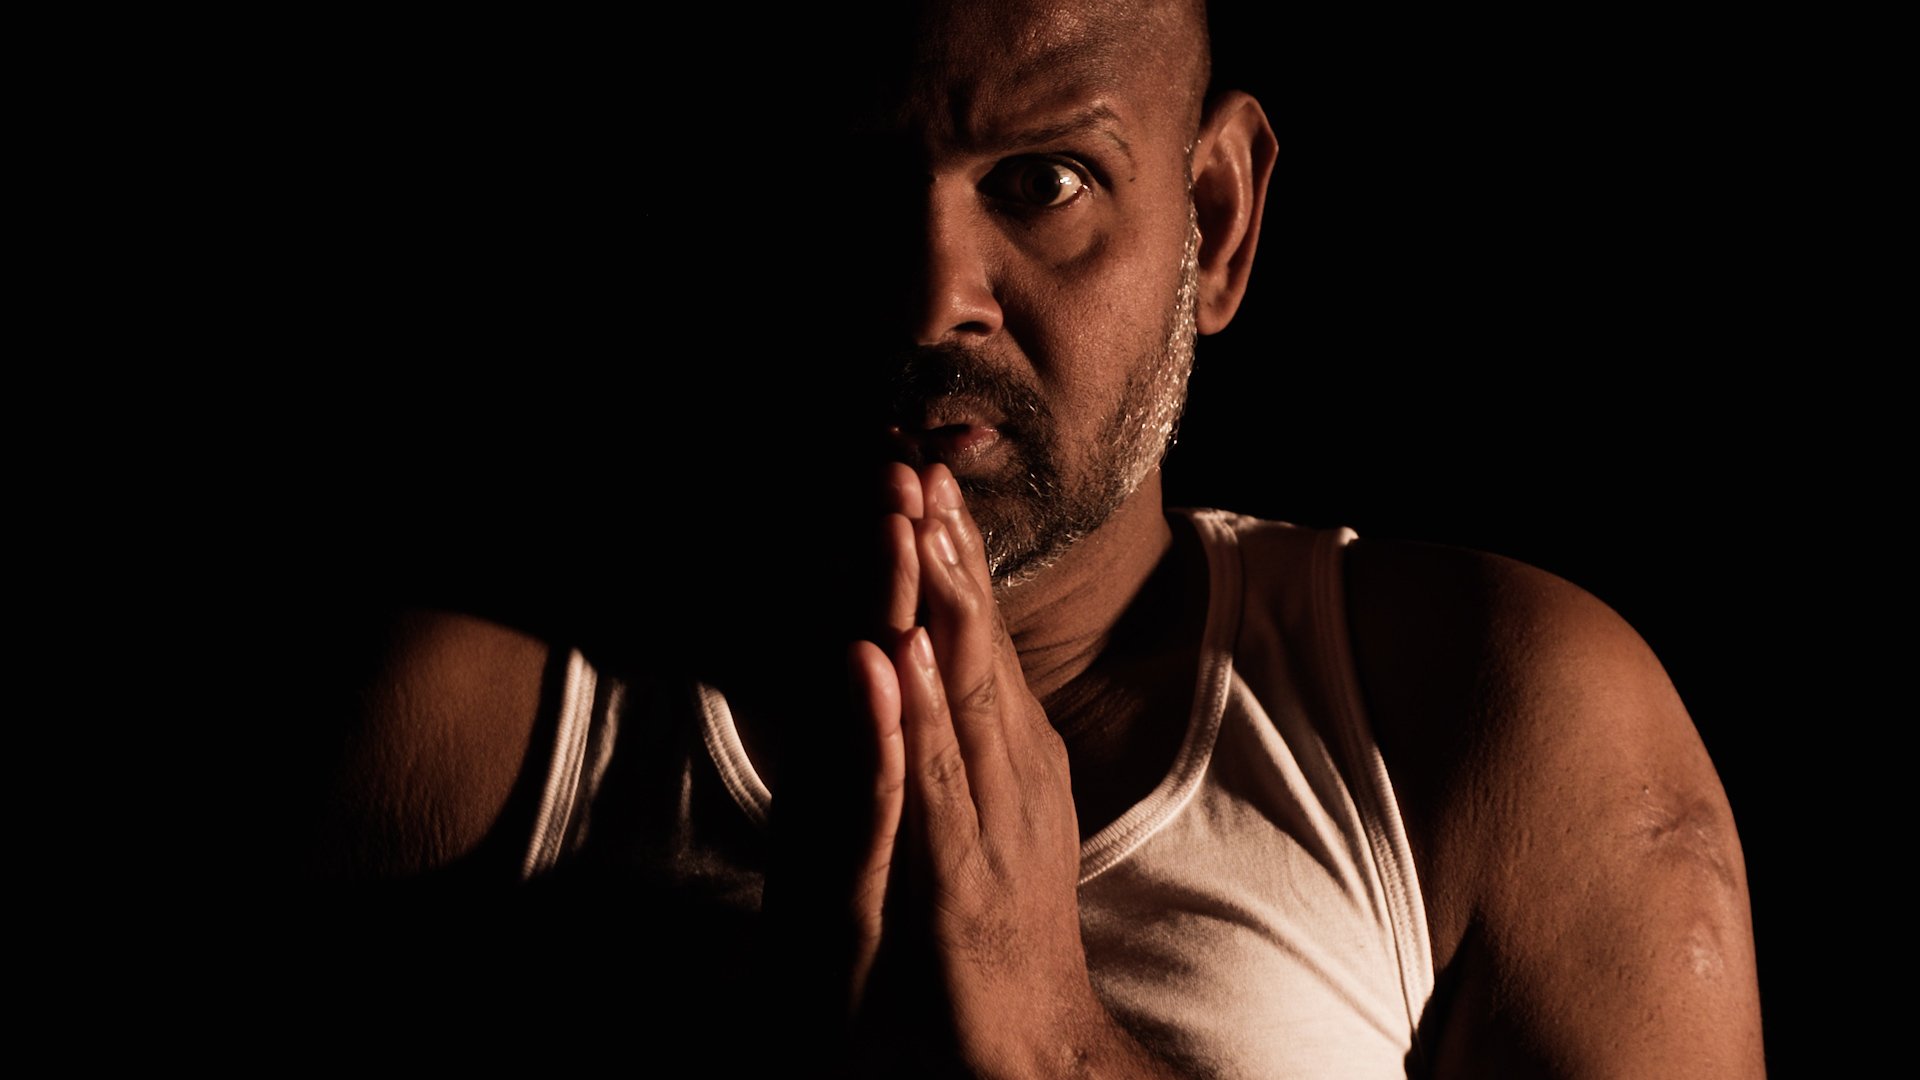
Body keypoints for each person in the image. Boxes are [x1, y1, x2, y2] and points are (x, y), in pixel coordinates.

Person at [299, 2, 1764, 1075]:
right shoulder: (464, 738)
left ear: (1215, 221)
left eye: (1041, 181)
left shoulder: (1494, 729)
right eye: (841, 188)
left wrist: (1057, 1045)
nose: (931, 293)